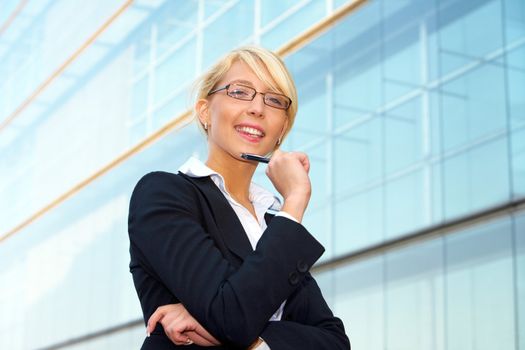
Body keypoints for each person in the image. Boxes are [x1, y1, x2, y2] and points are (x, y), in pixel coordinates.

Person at [128, 46, 350, 349]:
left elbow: (336, 342)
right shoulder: (163, 195)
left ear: (282, 128)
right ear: (205, 111)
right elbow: (231, 316)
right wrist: (295, 199)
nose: (258, 108)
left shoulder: (274, 224)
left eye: (273, 100)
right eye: (240, 92)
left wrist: (256, 342)